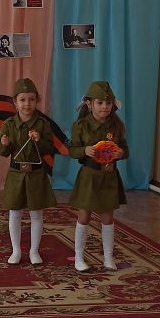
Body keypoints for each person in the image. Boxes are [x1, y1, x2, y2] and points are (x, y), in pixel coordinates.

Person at [67, 81, 128, 271]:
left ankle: (108, 258)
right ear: (89, 103)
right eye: (100, 103)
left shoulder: (116, 125)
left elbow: (124, 148)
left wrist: (121, 153)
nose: (104, 107)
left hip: (109, 176)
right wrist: (84, 150)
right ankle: (79, 257)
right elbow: (72, 150)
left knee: (108, 217)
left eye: (108, 103)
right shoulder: (81, 125)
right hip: (89, 176)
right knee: (84, 216)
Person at [0, 78, 57, 264]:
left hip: (36, 174)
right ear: (15, 102)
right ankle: (16, 251)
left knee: (36, 213)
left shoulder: (43, 124)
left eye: (31, 99)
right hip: (16, 174)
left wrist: (39, 140)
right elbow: (2, 152)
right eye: (22, 100)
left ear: (36, 100)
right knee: (15, 212)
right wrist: (4, 144)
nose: (27, 104)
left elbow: (50, 148)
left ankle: (34, 251)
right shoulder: (8, 124)